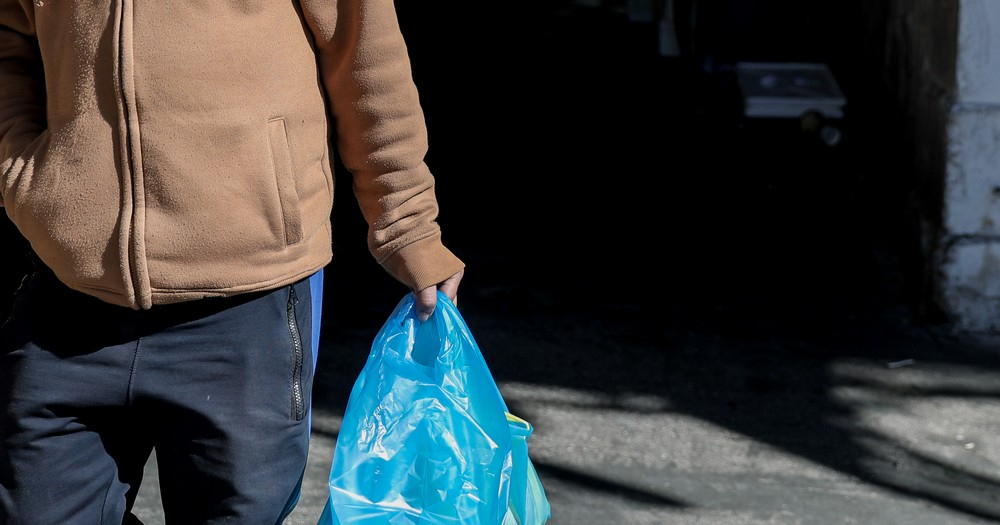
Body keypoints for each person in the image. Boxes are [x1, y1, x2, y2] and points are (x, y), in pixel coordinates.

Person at [0, 0, 465, 523]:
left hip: (249, 309)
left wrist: (408, 226)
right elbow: (10, 37)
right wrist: (24, 168)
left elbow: (364, 54)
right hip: (68, 300)